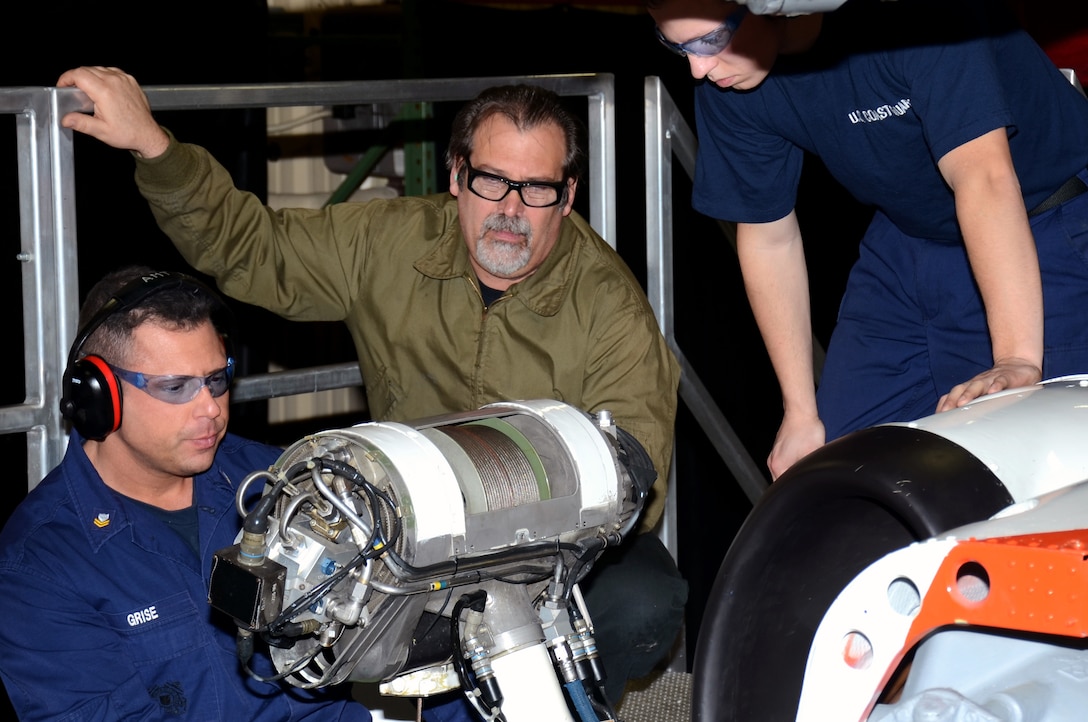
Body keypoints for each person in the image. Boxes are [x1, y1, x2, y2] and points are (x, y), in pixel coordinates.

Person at [55, 68, 686, 716]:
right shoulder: (388, 241)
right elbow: (256, 249)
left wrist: (520, 526)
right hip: (402, 524)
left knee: (644, 598)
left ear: (569, 193)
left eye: (537, 189)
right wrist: (154, 147)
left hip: (544, 541)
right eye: (491, 180)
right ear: (455, 175)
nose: (510, 209)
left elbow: (635, 468)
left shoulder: (610, 307)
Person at [647, 0, 1088, 479]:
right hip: (905, 239)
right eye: (676, 46)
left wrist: (1017, 359)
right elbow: (768, 236)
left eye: (709, 41)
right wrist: (800, 412)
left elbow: (983, 178)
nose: (697, 68)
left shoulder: (909, 17)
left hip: (1043, 222)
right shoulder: (728, 81)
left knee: (1018, 463)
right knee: (841, 470)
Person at [0, 265, 370, 721]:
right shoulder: (39, 568)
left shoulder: (278, 479)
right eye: (176, 388)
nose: (211, 408)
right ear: (100, 396)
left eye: (217, 379)